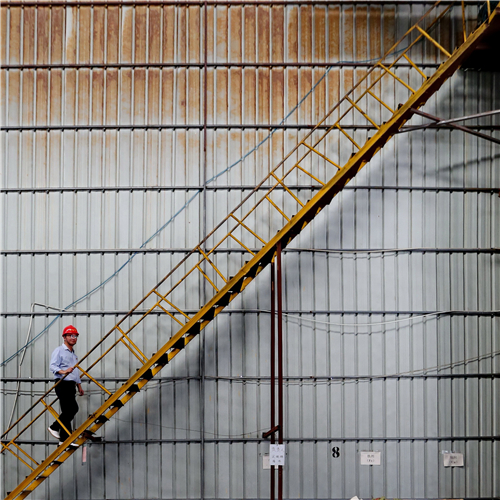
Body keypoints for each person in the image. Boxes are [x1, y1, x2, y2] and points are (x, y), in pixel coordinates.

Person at [47, 325, 84, 447]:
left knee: (68, 411)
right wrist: (63, 371)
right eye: (70, 335)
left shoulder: (73, 354)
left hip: (71, 385)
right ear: (64, 337)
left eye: (75, 336)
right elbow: (52, 366)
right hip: (62, 383)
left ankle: (64, 440)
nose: (73, 338)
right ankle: (54, 427)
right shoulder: (59, 350)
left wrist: (79, 386)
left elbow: (76, 371)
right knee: (71, 410)